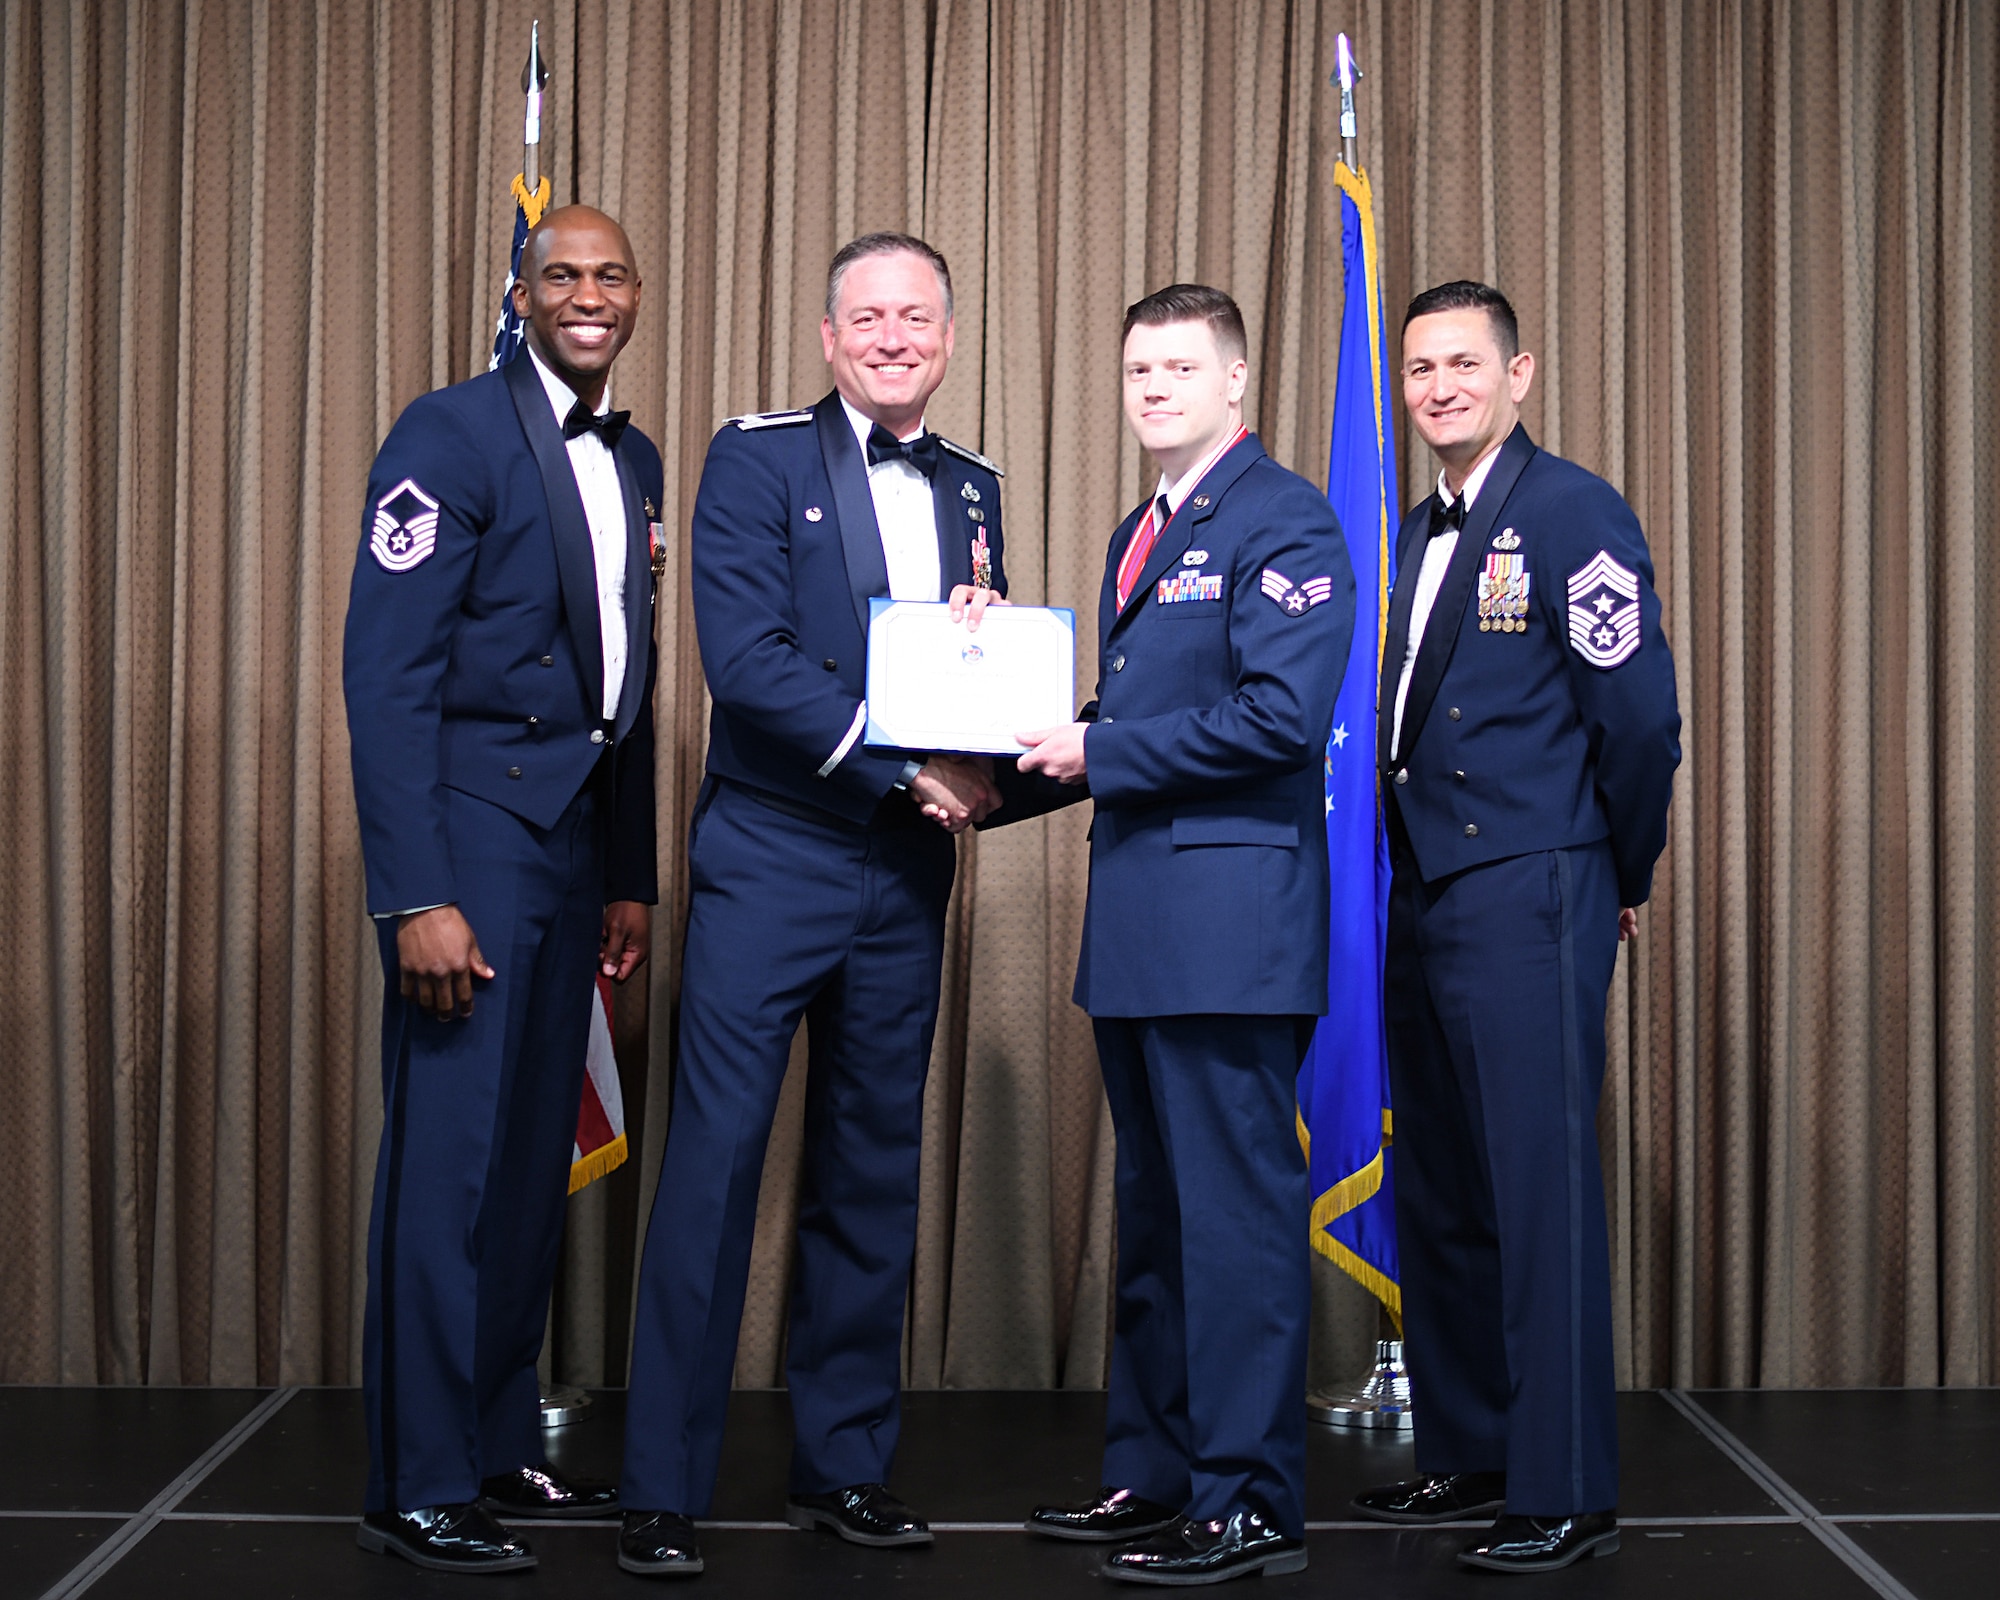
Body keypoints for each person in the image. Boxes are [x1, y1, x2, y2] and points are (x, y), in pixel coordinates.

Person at [616, 232, 1006, 1580]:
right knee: (715, 1165)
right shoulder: (757, 454)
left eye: (919, 317)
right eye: (871, 317)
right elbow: (751, 663)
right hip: (774, 855)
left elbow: (972, 668)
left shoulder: (975, 486)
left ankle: (844, 1465)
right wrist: (912, 767)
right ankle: (659, 1485)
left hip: (904, 876)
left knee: (871, 1171)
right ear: (830, 335)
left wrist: (996, 716)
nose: (896, 336)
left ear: (948, 336)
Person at [1013, 285, 1355, 1586]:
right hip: (1143, 933)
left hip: (1231, 932)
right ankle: (1152, 1476)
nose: (1151, 386)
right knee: (1154, 1226)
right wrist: (995, 751)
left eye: (1177, 366)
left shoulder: (1286, 517)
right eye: (1136, 367)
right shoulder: (1135, 532)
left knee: (1235, 1229)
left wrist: (1098, 746)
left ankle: (1251, 1497)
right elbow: (1121, 721)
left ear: (1237, 383)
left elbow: (1280, 718)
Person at [342, 206, 660, 1574]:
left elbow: (627, 687)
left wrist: (631, 875)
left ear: (635, 296)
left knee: (532, 1169)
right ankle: (415, 1481)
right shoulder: (448, 432)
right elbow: (387, 677)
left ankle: (492, 1449)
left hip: (575, 854)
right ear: (519, 293)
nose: (586, 294)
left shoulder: (635, 452)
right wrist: (415, 893)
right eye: (561, 275)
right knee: (450, 1172)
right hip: (469, 849)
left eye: (609, 275)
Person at [1347, 281, 1681, 1573]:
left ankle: (1565, 1485)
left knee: (1537, 1190)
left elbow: (1640, 719)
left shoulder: (1570, 509)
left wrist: (1620, 867)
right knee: (1444, 1186)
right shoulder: (1418, 528)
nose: (1438, 385)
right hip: (1428, 893)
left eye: (1463, 364)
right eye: (1422, 366)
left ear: (1519, 374)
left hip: (1535, 886)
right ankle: (1472, 1451)